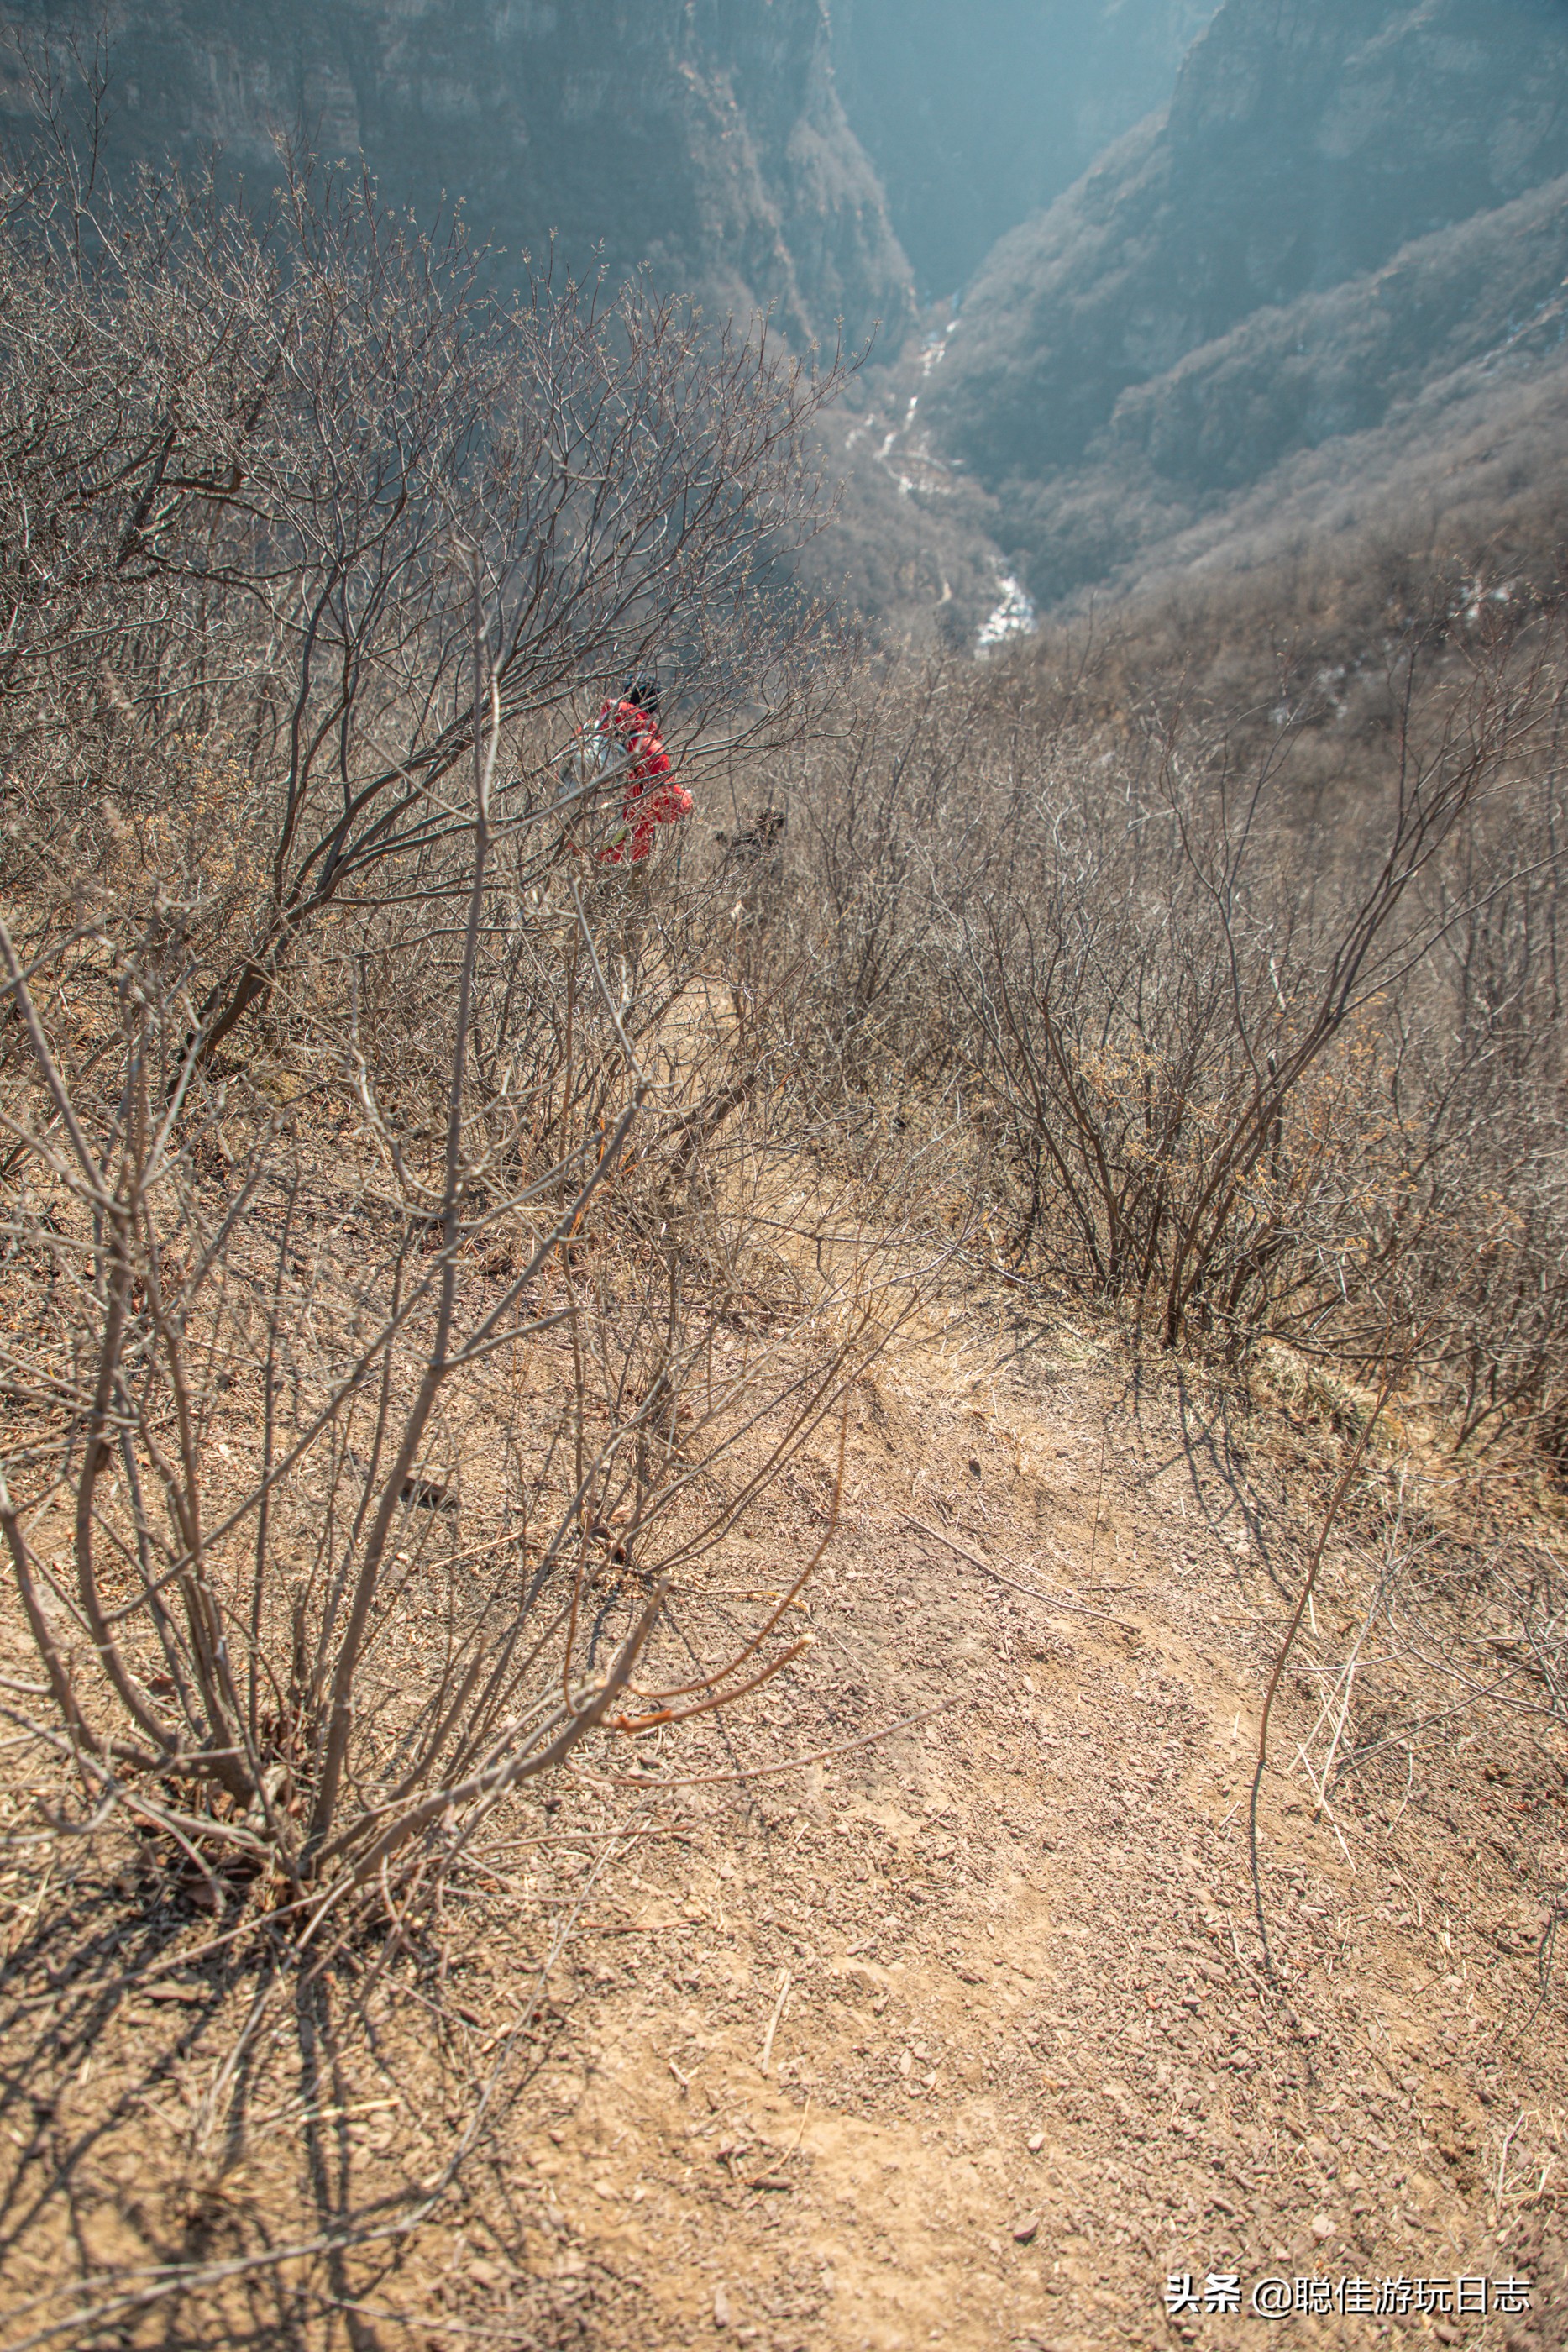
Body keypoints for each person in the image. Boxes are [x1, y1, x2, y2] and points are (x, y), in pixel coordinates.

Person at [587, 680, 692, 865]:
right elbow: (667, 808)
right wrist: (686, 800)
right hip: (622, 859)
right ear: (655, 709)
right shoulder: (648, 748)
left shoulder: (589, 733)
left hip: (577, 848)